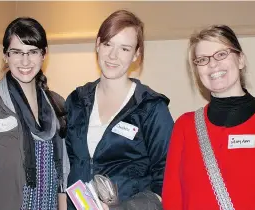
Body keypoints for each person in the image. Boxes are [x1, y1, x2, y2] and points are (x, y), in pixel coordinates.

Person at [162, 24, 255, 209]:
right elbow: (172, 199)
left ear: (241, 60)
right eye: (202, 59)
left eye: (221, 54)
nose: (212, 64)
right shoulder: (185, 126)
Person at [0, 17, 68, 210]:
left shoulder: (56, 104)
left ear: (44, 55)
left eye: (32, 52)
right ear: (5, 55)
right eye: (17, 52)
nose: (25, 61)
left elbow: (62, 176)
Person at [65, 10, 174, 209]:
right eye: (108, 44)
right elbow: (68, 167)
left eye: (124, 48)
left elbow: (167, 181)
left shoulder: (150, 108)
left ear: (136, 54)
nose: (113, 56)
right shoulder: (77, 101)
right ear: (98, 44)